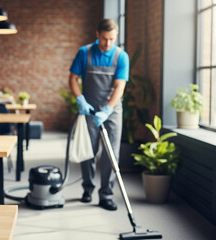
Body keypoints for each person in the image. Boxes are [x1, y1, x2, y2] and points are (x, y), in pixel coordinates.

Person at [68, 19, 129, 211]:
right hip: (89, 109)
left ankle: (106, 195)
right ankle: (88, 189)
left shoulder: (121, 56)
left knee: (112, 154)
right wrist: (80, 100)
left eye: (112, 39)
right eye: (104, 39)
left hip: (111, 111)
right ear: (97, 35)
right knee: (89, 152)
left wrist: (108, 109)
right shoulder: (84, 52)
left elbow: (119, 87)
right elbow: (73, 79)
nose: (108, 43)